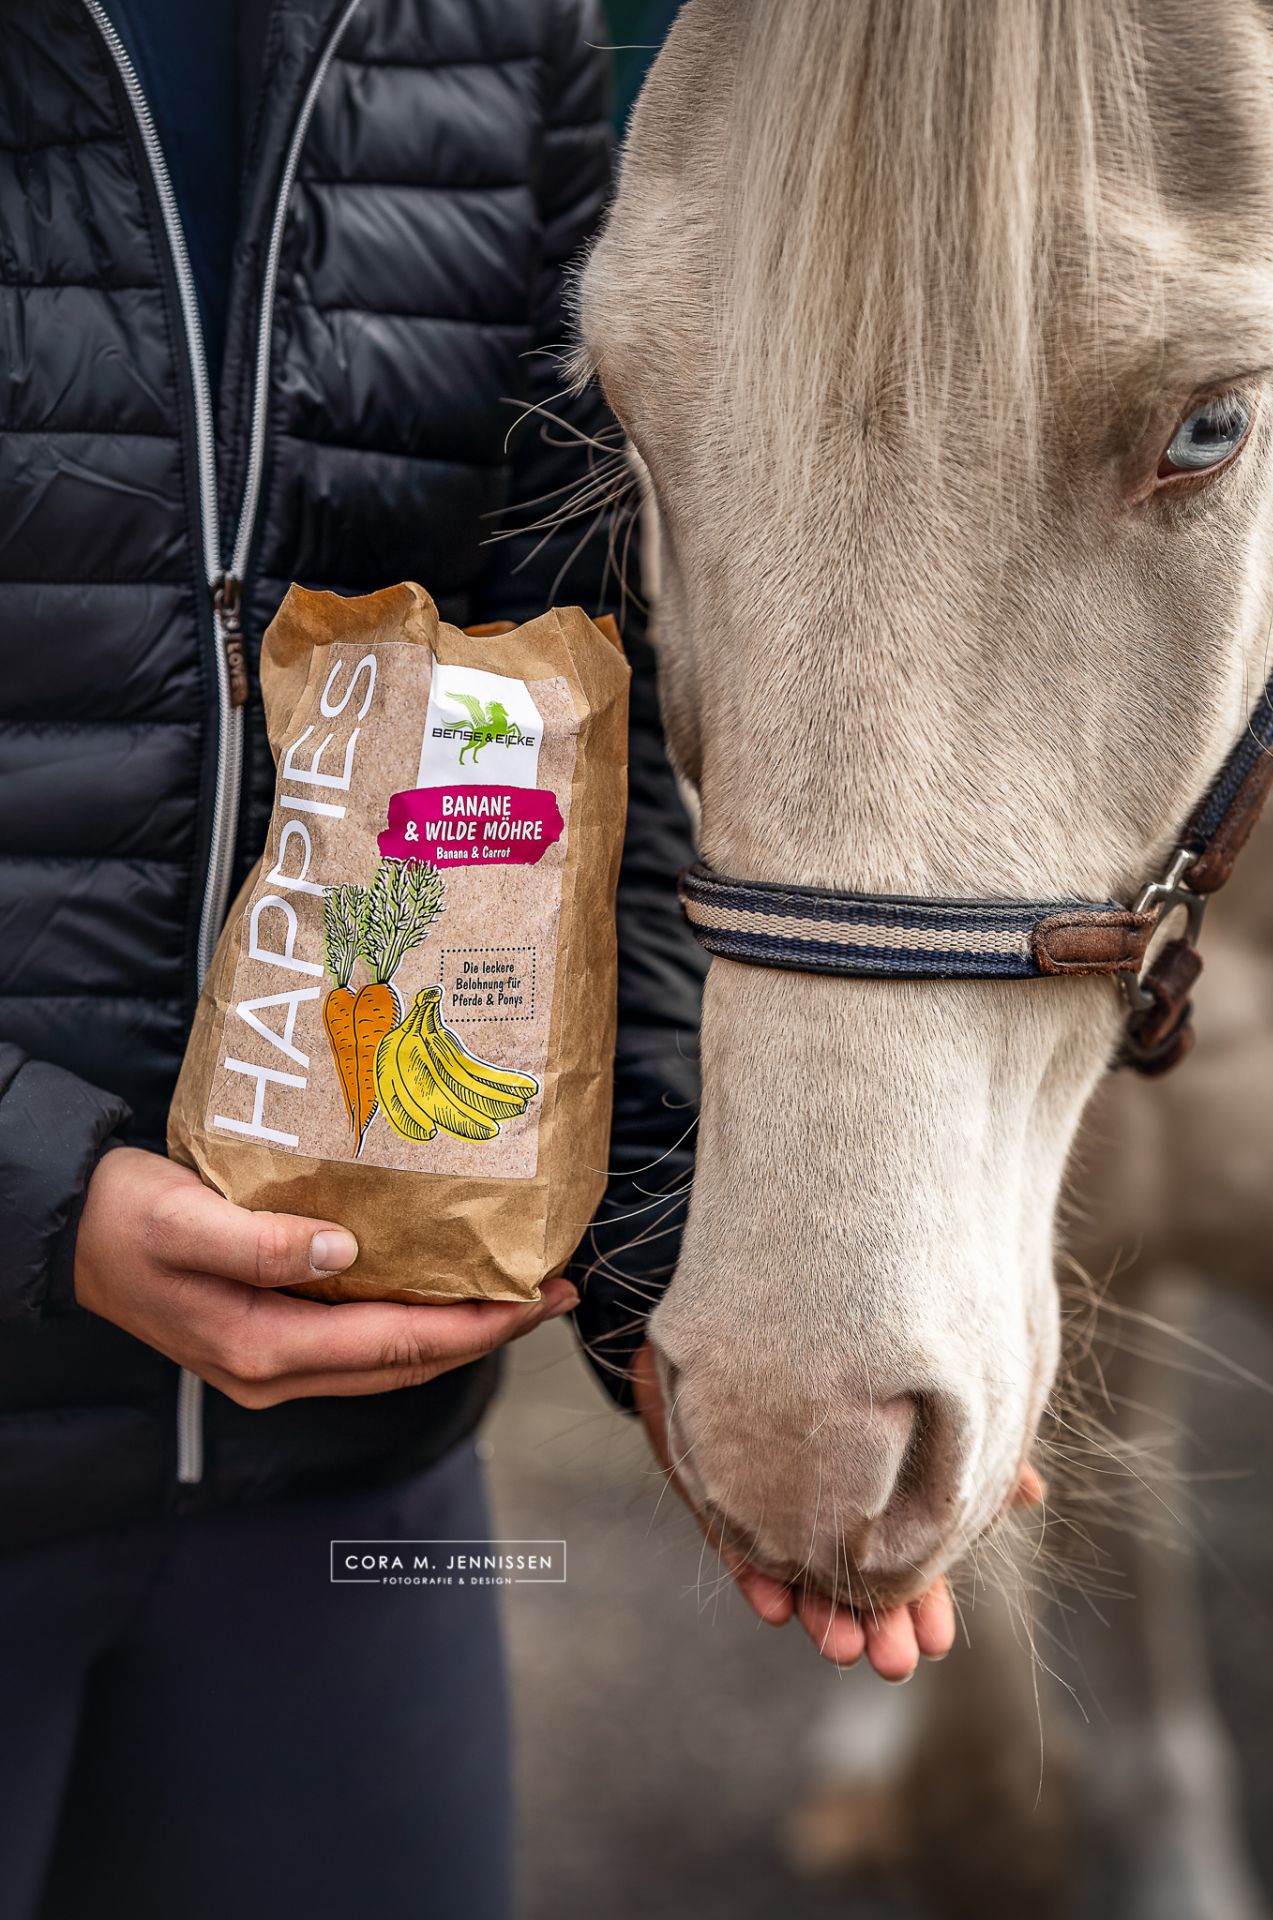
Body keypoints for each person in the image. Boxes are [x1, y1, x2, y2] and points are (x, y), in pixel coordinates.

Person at [0, 3, 701, 1915]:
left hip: (339, 1504)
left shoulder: (503, 24)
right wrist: (35, 1192)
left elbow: (577, 673)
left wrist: (674, 1253)